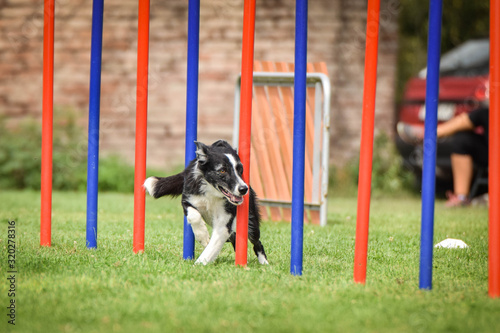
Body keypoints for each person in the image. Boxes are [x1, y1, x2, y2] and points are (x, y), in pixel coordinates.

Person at [398, 107, 489, 207]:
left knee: (485, 114)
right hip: (490, 152)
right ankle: (461, 198)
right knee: (462, 139)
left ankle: (426, 135)